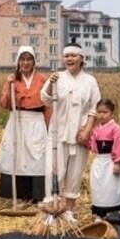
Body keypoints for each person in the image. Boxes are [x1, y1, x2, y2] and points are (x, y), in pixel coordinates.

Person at [40, 38, 101, 221]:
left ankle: (69, 210)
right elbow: (45, 99)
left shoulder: (90, 81)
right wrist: (50, 84)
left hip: (80, 132)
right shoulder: (57, 77)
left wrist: (87, 130)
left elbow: (94, 106)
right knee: (54, 171)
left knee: (75, 172)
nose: (70, 59)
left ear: (81, 58)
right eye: (66, 56)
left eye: (73, 55)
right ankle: (52, 210)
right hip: (58, 131)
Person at [0, 46, 49, 203]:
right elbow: (4, 104)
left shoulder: (42, 80)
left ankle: (38, 194)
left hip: (36, 121)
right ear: (18, 62)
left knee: (37, 157)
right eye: (22, 59)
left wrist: (48, 125)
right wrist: (8, 86)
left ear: (33, 61)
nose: (25, 63)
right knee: (17, 156)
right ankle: (19, 194)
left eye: (29, 59)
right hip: (17, 120)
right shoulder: (13, 79)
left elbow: (48, 104)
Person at [87, 99, 120, 219]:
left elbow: (119, 145)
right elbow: (93, 145)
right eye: (99, 112)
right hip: (99, 161)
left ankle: (113, 212)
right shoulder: (96, 128)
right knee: (99, 188)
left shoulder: (116, 128)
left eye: (105, 112)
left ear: (111, 113)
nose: (102, 115)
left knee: (112, 187)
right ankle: (100, 213)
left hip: (111, 161)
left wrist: (118, 162)